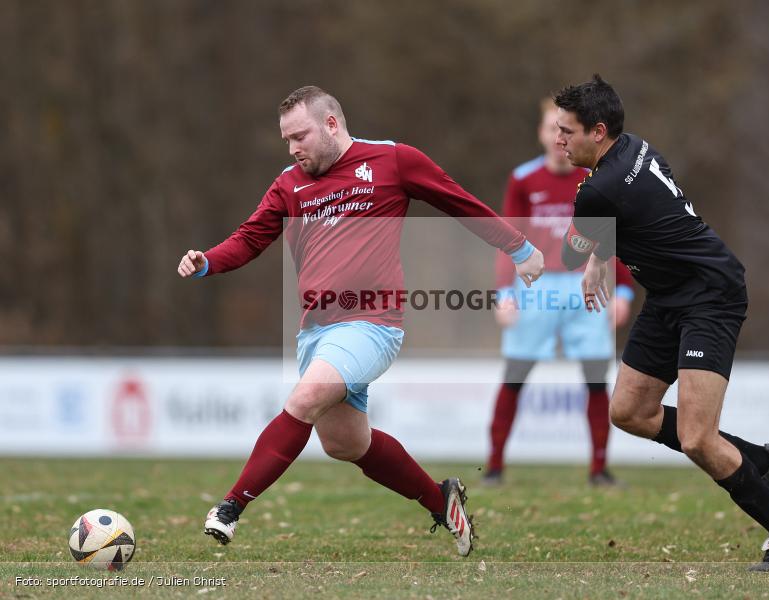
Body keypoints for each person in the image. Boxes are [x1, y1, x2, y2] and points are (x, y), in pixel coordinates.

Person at [176, 86, 545, 557]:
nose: (292, 148)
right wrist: (207, 261)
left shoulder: (393, 161)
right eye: (287, 140)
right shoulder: (289, 184)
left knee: (304, 399)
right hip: (316, 331)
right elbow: (249, 239)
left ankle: (231, 506)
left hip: (372, 323)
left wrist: (518, 246)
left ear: (331, 124)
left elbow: (458, 201)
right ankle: (441, 500)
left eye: (300, 136)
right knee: (346, 444)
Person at [555, 75, 769, 571]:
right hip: (669, 296)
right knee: (630, 411)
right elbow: (621, 216)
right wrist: (600, 258)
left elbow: (570, 252)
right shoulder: (633, 147)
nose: (558, 140)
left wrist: (589, 256)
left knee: (699, 438)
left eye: (566, 131)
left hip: (710, 295)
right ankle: (761, 460)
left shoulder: (596, 190)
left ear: (597, 131)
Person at [485, 98, 635, 487]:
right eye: (552, 128)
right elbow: (507, 237)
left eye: (565, 130)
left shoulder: (596, 178)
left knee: (595, 377)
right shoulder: (523, 179)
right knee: (515, 375)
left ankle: (599, 470)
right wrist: (503, 292)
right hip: (534, 287)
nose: (558, 137)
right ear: (540, 133)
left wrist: (623, 290)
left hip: (586, 286)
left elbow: (612, 235)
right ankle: (494, 468)